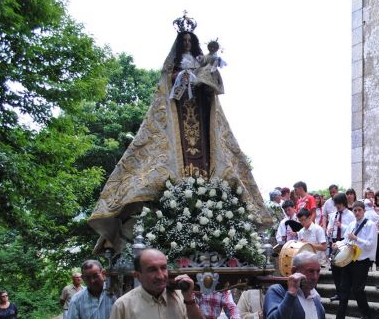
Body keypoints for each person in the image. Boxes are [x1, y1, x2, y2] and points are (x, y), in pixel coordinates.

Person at [87, 15, 270, 254]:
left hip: (201, 117)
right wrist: (181, 78)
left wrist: (206, 74)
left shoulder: (199, 60)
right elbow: (168, 84)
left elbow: (213, 83)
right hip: (179, 115)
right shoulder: (174, 65)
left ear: (193, 43)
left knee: (207, 152)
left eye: (188, 40)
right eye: (182, 40)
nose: (185, 43)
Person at [330, 201, 377, 319]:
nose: (356, 213)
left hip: (362, 261)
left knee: (358, 289)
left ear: (363, 211)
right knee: (343, 290)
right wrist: (337, 244)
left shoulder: (370, 225)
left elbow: (371, 244)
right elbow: (346, 240)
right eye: (354, 210)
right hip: (349, 259)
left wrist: (357, 238)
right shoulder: (351, 224)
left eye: (359, 210)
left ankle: (366, 313)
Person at [327, 192, 354, 300]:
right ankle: (338, 293)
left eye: (339, 204)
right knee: (335, 271)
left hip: (345, 243)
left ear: (343, 203)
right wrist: (329, 231)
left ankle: (345, 293)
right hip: (334, 243)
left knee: (344, 271)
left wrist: (341, 226)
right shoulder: (333, 215)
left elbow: (352, 230)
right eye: (336, 204)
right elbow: (329, 227)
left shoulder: (350, 215)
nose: (337, 206)